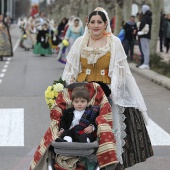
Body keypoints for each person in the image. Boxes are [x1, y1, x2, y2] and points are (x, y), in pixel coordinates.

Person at [62, 7, 153, 170]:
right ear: (87, 24)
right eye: (92, 22)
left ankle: (108, 164)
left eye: (99, 22)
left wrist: (113, 93)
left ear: (105, 24)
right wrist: (68, 92)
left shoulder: (114, 42)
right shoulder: (79, 43)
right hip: (82, 94)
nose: (96, 26)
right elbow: (70, 71)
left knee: (108, 130)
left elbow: (122, 72)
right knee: (79, 128)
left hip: (106, 94)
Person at [138, 5, 152, 69]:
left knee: (145, 50)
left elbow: (144, 25)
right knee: (145, 50)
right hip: (146, 35)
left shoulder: (146, 17)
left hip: (144, 35)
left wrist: (140, 31)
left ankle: (146, 63)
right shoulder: (148, 17)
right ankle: (145, 63)